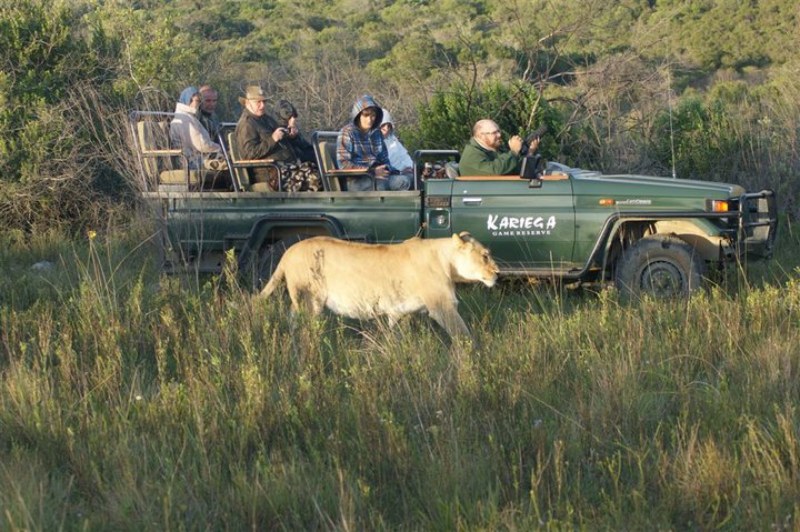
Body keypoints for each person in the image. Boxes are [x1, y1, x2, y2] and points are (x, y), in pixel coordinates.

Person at [234, 85, 320, 191]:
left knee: (315, 165)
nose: (262, 106)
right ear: (247, 103)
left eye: (264, 102)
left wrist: (292, 135)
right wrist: (273, 139)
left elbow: (282, 137)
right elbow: (249, 154)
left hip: (286, 167)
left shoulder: (266, 119)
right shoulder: (247, 124)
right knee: (313, 178)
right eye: (258, 102)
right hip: (271, 174)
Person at [336, 95, 411, 192]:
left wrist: (398, 171)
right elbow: (343, 164)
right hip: (357, 180)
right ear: (358, 115)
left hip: (378, 177)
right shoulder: (347, 132)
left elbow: (384, 160)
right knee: (388, 184)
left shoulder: (377, 133)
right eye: (366, 115)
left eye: (373, 115)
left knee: (408, 179)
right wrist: (372, 171)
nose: (370, 119)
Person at [458, 119, 540, 176]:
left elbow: (513, 170)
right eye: (494, 133)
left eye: (499, 131)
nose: (499, 135)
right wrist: (514, 152)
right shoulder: (472, 155)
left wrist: (529, 152)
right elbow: (496, 172)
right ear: (481, 135)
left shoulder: (495, 150)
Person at [169, 86, 222, 170]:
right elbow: (202, 145)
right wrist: (221, 148)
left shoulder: (191, 117)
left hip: (197, 158)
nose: (199, 104)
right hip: (190, 162)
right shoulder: (185, 119)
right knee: (227, 163)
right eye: (197, 101)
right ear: (188, 100)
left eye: (200, 101)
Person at [274, 99, 316, 164]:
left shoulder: (293, 132)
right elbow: (294, 154)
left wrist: (295, 138)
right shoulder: (279, 132)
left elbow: (307, 148)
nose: (294, 119)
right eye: (291, 117)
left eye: (294, 116)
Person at [379, 108, 414, 175]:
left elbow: (405, 156)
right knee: (402, 181)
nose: (386, 129)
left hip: (402, 172)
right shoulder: (372, 143)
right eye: (383, 125)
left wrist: (410, 167)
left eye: (388, 126)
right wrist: (400, 172)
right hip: (389, 175)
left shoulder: (393, 141)